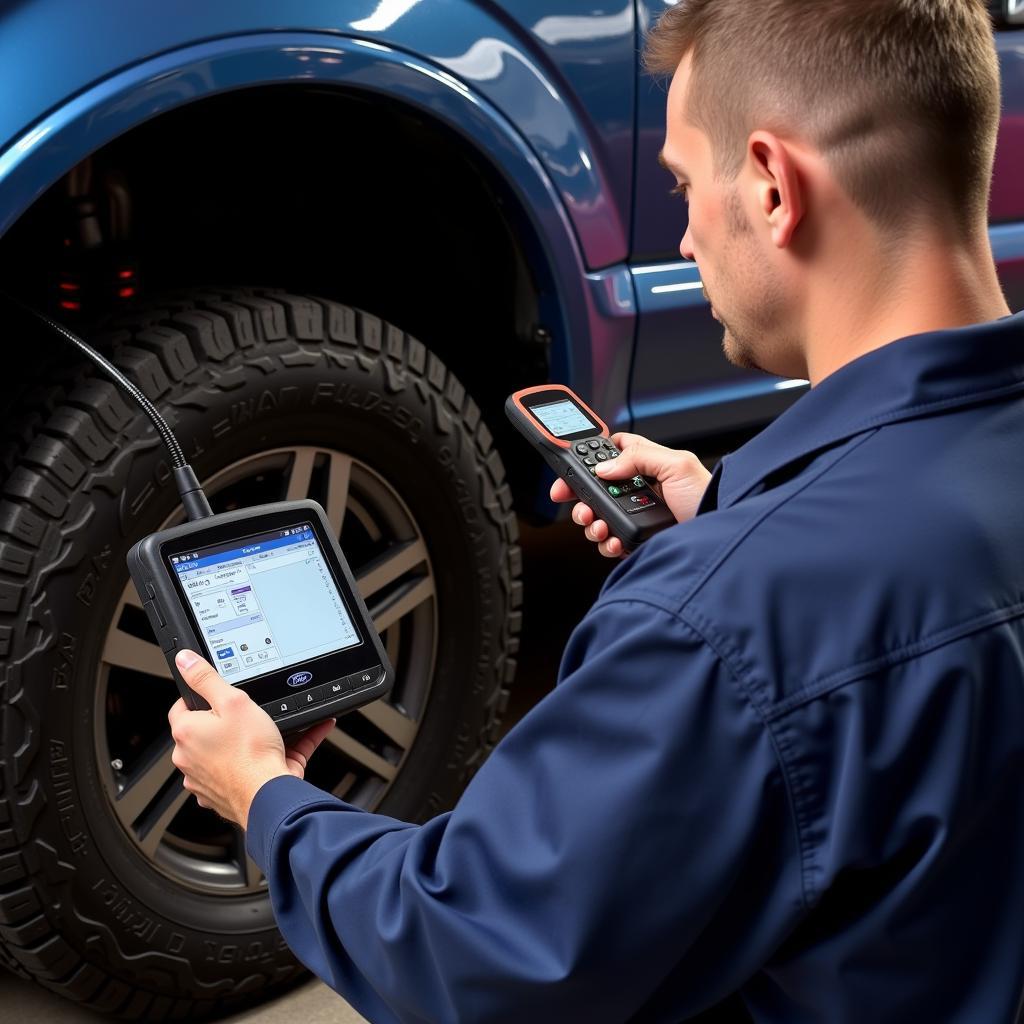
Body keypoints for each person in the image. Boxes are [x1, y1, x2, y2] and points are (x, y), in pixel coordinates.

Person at [168, 0, 1024, 1020]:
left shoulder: (724, 621)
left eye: (680, 182)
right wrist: (728, 506)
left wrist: (266, 800)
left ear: (768, 184)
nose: (684, 227)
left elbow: (471, 951)